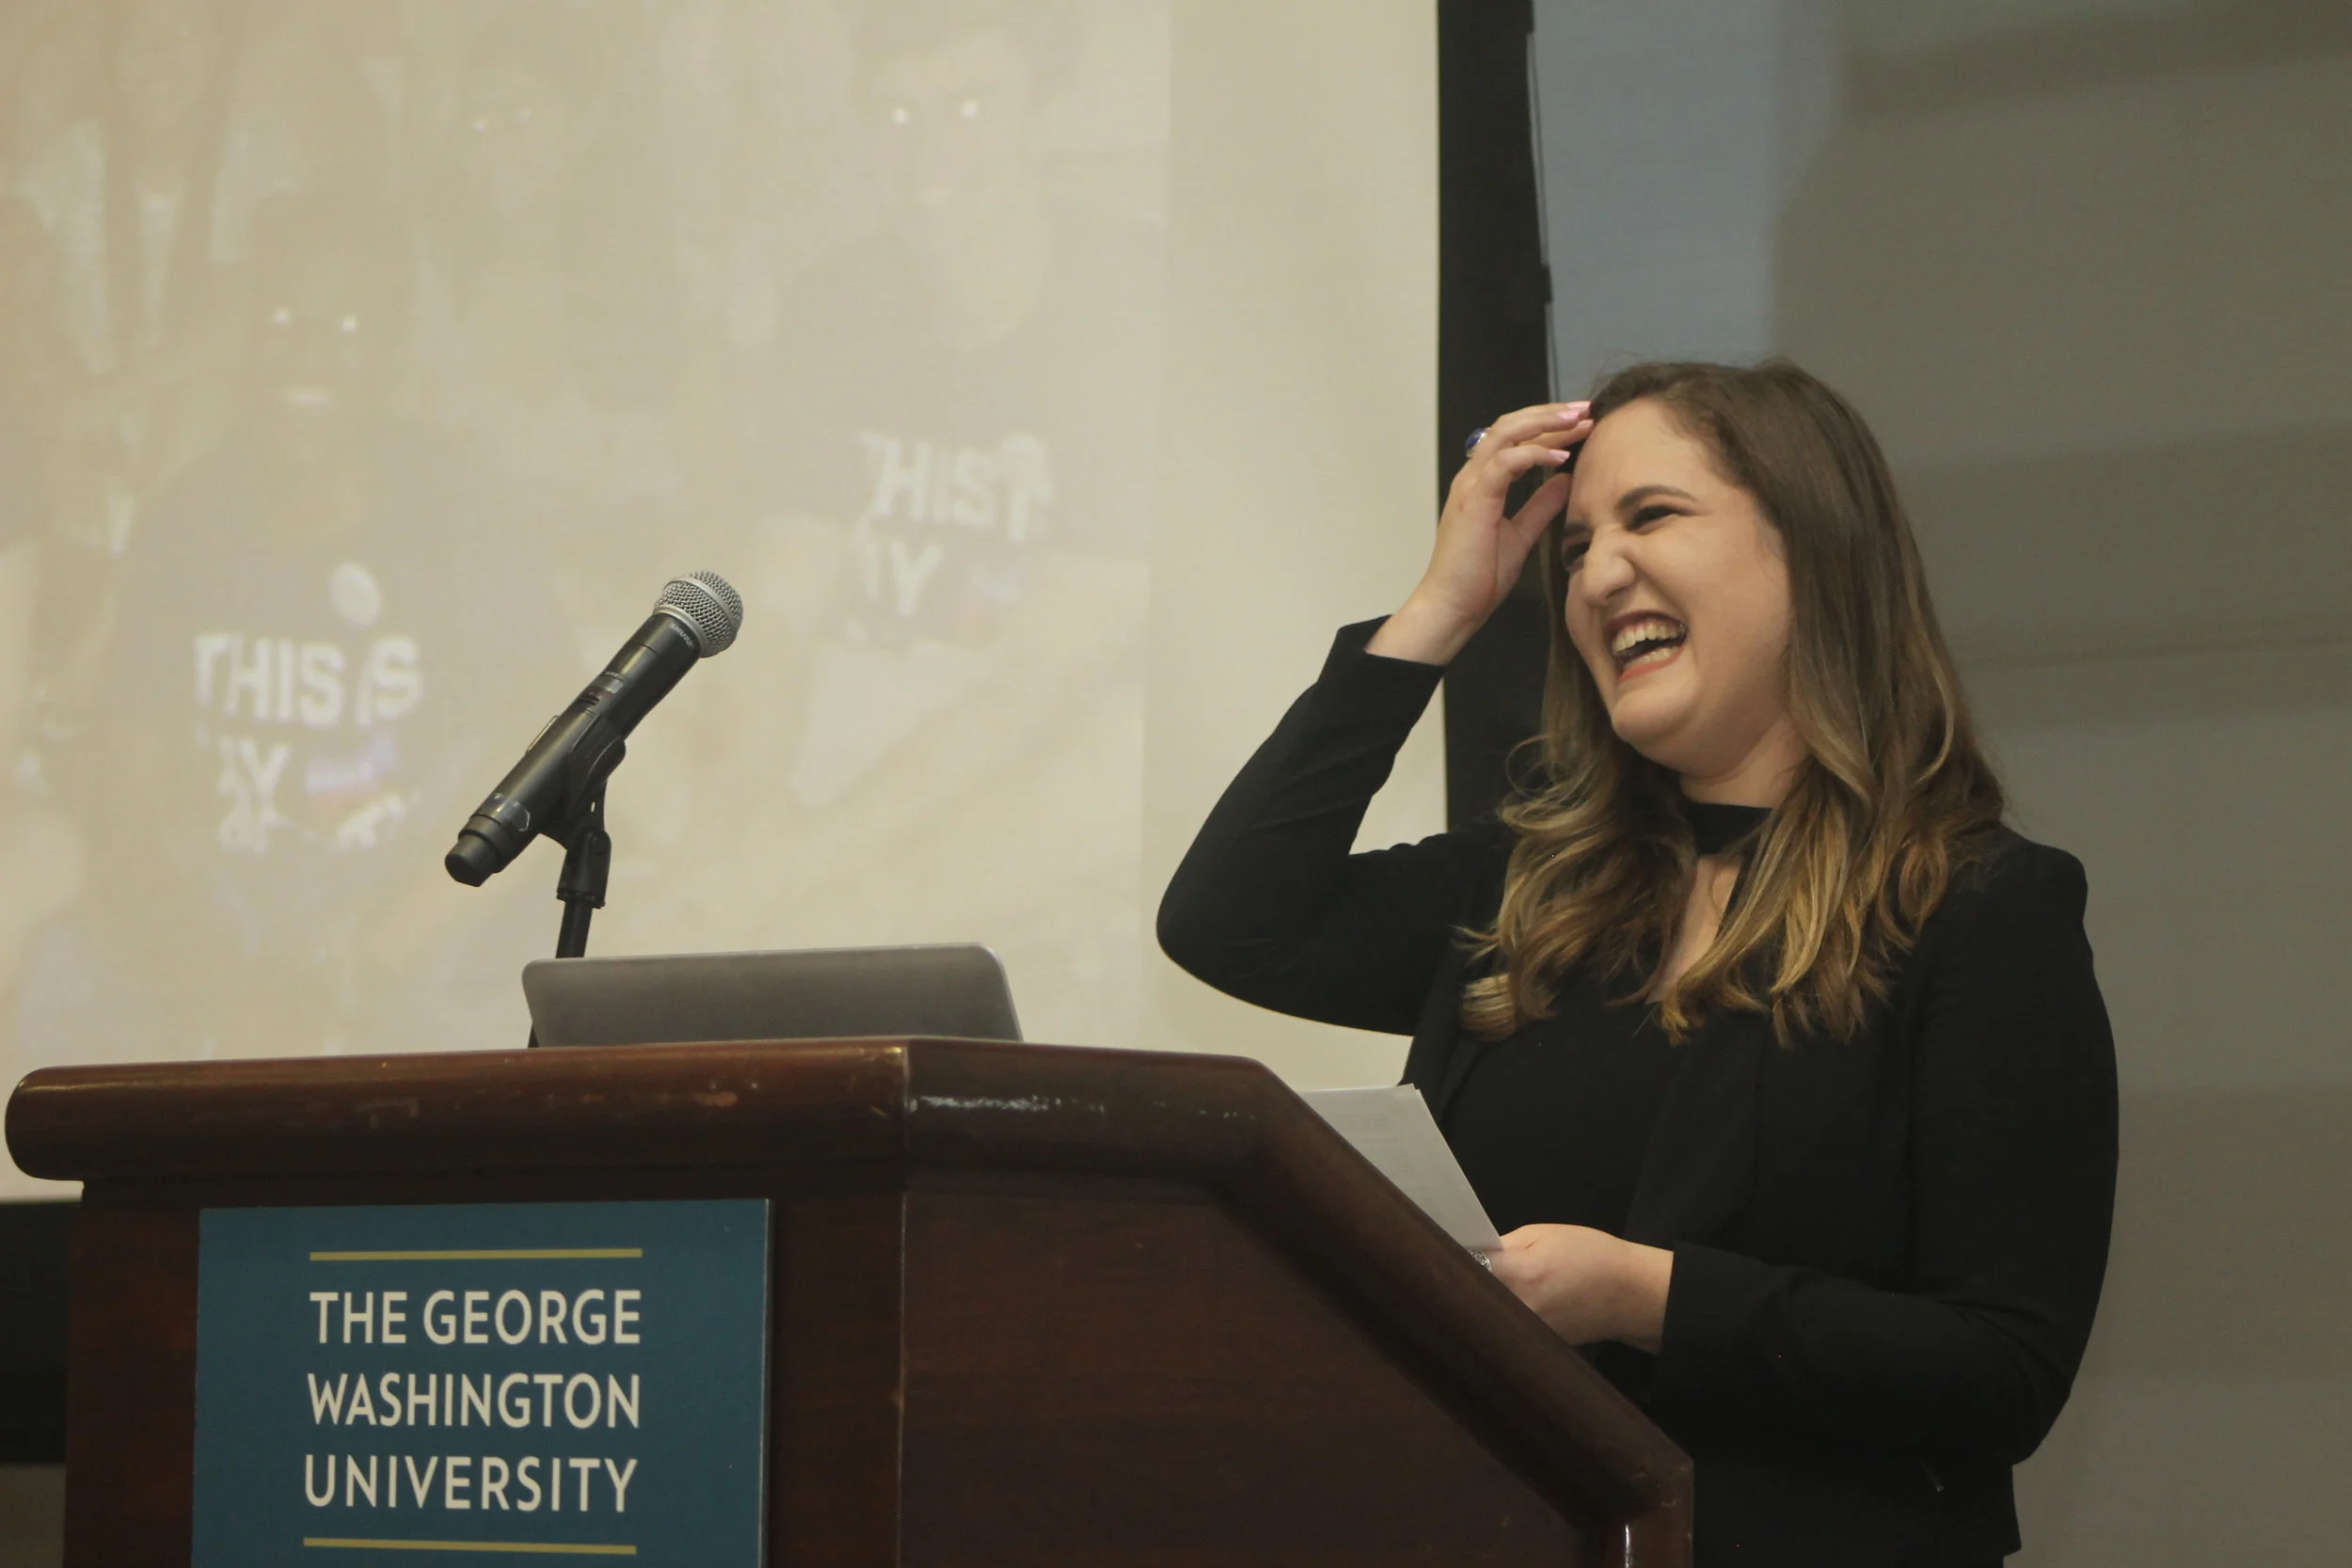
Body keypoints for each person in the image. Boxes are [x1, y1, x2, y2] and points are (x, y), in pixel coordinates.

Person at [1158, 360, 2118, 1567]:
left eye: (1653, 516)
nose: (1600, 571)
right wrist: (1442, 607)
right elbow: (1231, 918)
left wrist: (1646, 1294)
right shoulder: (1528, 882)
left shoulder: (1979, 910)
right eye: (1576, 549)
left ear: (1813, 547)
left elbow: (2001, 1368)